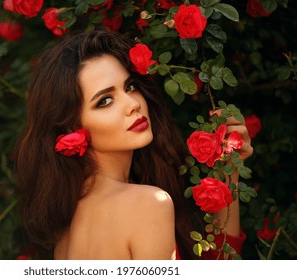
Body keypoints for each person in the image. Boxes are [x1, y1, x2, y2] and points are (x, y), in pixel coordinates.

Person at [14, 30, 253, 260]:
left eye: (129, 87)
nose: (132, 104)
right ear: (70, 129)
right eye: (105, 101)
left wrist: (228, 173)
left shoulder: (68, 229)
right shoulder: (147, 204)